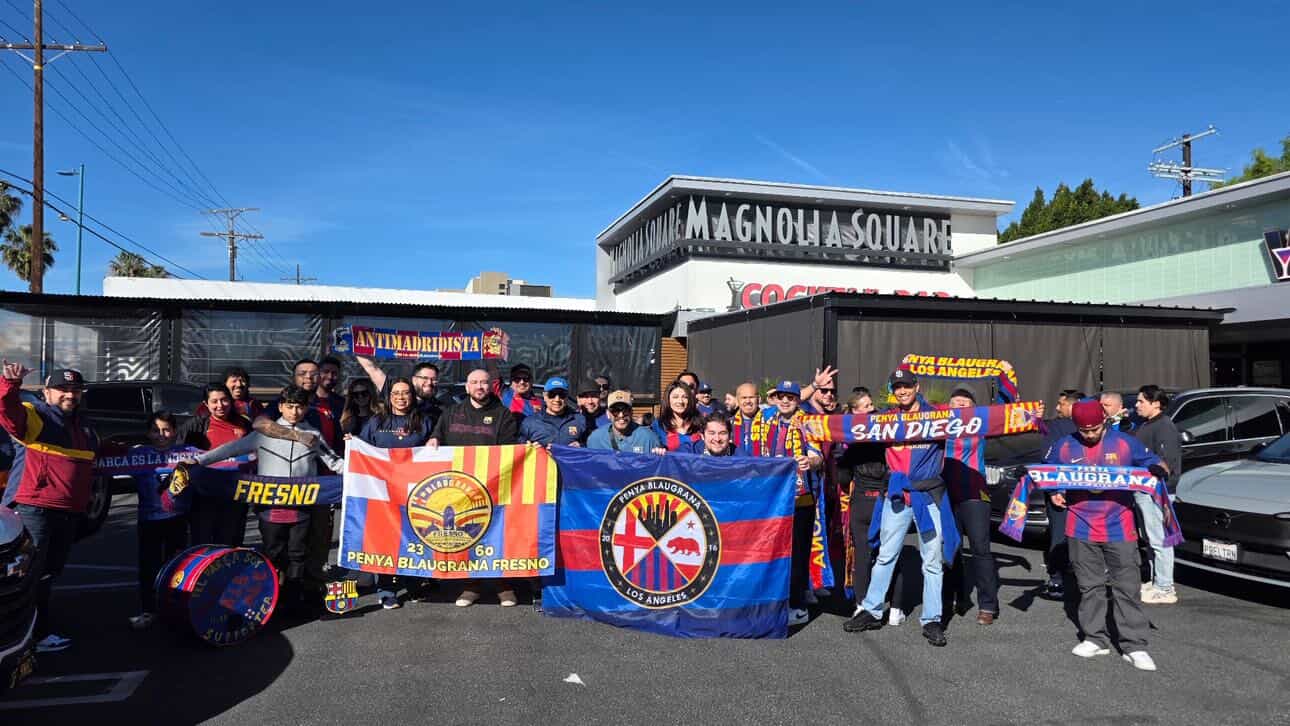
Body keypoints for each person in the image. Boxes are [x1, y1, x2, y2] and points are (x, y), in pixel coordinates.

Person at [194, 384, 344, 612]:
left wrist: (362, 472)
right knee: (273, 554)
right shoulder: (263, 434)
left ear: (306, 408)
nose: (295, 412)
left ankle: (293, 600)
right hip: (269, 508)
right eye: (290, 406)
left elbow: (334, 462)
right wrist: (198, 461)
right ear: (281, 407)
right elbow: (230, 449)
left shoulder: (313, 435)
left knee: (298, 554)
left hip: (302, 508)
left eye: (300, 407)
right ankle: (271, 598)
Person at [1047, 399, 1168, 672]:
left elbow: (1154, 461)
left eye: (1095, 429)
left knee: (1127, 586)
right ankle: (1095, 638)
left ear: (1104, 421)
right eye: (1084, 431)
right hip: (1080, 525)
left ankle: (1134, 645)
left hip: (1119, 525)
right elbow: (1048, 472)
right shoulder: (1065, 445)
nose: (1090, 435)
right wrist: (1053, 490)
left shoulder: (1125, 442)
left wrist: (1158, 469)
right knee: (1089, 586)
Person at [846, 369, 954, 648]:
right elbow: (846, 424)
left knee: (932, 561)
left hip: (928, 495)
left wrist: (1024, 415)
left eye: (906, 385)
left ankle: (932, 619)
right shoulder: (885, 419)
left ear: (917, 386)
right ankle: (872, 610)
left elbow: (982, 420)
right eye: (897, 387)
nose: (902, 391)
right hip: (896, 495)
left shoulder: (938, 416)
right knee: (885, 555)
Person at [0, 363, 100, 652]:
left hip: (67, 511)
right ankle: (27, 638)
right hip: (35, 508)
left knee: (47, 573)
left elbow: (101, 457)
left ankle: (36, 632)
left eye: (75, 390)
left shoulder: (85, 425)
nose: (70, 394)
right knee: (25, 575)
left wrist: (156, 455)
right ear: (46, 393)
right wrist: (10, 384)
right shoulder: (36, 415)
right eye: (62, 389)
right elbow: (8, 413)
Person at [429, 367, 519, 607]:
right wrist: (434, 439)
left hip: (493, 486)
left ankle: (503, 584)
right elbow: (437, 437)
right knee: (468, 535)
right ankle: (471, 586)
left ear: (491, 386)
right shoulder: (451, 413)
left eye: (484, 382)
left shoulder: (503, 414)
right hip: (460, 489)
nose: (480, 386)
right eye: (475, 382)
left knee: (496, 535)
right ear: (467, 387)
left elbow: (509, 452)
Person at [355, 377, 433, 609]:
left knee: (414, 538)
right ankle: (386, 589)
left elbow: (437, 452)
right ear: (389, 397)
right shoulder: (377, 421)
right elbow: (362, 449)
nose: (401, 397)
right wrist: (353, 443)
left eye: (405, 392)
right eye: (396, 393)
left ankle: (413, 583)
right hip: (383, 491)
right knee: (385, 540)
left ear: (413, 396)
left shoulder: (424, 421)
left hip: (415, 491)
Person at [749, 380, 822, 627]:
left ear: (798, 400)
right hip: (772, 498)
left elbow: (818, 456)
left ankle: (798, 605)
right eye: (781, 396)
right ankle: (773, 602)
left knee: (798, 553)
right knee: (771, 551)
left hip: (800, 498)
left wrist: (810, 462)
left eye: (791, 397)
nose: (785, 401)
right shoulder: (766, 420)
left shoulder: (808, 422)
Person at [836, 388, 900, 631]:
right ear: (854, 411)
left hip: (866, 501)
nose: (871, 409)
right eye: (865, 406)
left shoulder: (852, 444)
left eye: (871, 404)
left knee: (869, 555)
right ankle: (892, 607)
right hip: (879, 501)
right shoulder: (886, 440)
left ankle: (867, 604)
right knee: (885, 554)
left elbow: (843, 478)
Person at [942, 388, 999, 625]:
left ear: (974, 408)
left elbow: (1005, 410)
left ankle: (988, 605)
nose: (960, 405)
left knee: (980, 548)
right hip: (945, 494)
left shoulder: (980, 425)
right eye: (956, 401)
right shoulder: (939, 424)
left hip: (975, 494)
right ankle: (956, 598)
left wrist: (1006, 376)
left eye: (965, 402)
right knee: (951, 549)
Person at [128, 412, 191, 630]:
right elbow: (108, 462)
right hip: (148, 520)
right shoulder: (138, 454)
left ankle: (175, 609)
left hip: (177, 519)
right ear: (148, 433)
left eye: (166, 430)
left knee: (177, 567)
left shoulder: (187, 453)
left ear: (174, 431)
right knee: (148, 567)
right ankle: (148, 610)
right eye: (156, 430)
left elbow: (214, 460)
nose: (161, 435)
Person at [180, 383, 253, 546]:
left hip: (235, 494)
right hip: (203, 495)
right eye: (214, 401)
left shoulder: (244, 424)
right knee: (202, 543)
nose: (220, 405)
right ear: (206, 404)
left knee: (231, 543)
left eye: (224, 400)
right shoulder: (195, 425)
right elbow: (176, 453)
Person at [1132, 385, 1182, 605]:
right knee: (1150, 538)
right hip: (1143, 489)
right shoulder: (1146, 424)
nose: (1137, 405)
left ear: (1155, 403)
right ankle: (1155, 581)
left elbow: (1167, 461)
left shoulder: (1164, 426)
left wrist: (1160, 471)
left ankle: (1165, 587)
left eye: (1141, 401)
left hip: (1157, 490)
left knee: (1160, 539)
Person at [1041, 388, 1084, 599]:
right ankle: (1058, 577)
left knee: (1068, 536)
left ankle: (1064, 578)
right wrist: (1053, 490)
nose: (1057, 408)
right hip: (1063, 490)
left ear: (1074, 405)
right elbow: (1047, 459)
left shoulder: (1091, 426)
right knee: (1061, 535)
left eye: (1062, 404)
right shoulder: (1057, 427)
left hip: (1080, 490)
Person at [355, 355, 443, 426]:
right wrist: (355, 343)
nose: (429, 382)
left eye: (434, 379)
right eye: (425, 378)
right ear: (414, 379)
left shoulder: (439, 408)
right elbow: (372, 369)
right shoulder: (395, 394)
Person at [587, 390, 663, 454]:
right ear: (608, 414)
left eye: (625, 410)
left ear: (631, 412)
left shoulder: (648, 438)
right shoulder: (595, 439)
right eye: (615, 410)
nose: (621, 415)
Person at [519, 377, 585, 447]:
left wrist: (581, 446)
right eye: (552, 394)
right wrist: (529, 446)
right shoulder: (530, 422)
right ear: (544, 396)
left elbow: (590, 447)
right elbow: (519, 447)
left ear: (567, 397)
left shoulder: (579, 420)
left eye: (562, 395)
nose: (557, 399)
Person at [196, 366, 264, 420]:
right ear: (224, 384)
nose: (239, 384)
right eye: (234, 381)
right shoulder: (210, 405)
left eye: (242, 381)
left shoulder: (254, 404)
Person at [652, 382, 703, 452]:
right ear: (667, 400)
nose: (680, 401)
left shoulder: (700, 423)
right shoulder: (658, 425)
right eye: (675, 397)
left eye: (685, 397)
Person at [728, 382, 767, 456]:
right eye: (744, 398)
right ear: (737, 400)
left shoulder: (769, 422)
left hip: (762, 462)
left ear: (759, 399)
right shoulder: (728, 424)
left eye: (751, 397)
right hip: (736, 462)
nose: (748, 401)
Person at [575, 379, 609, 444]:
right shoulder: (571, 419)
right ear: (578, 399)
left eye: (594, 396)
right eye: (585, 397)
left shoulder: (610, 417)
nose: (590, 401)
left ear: (599, 397)